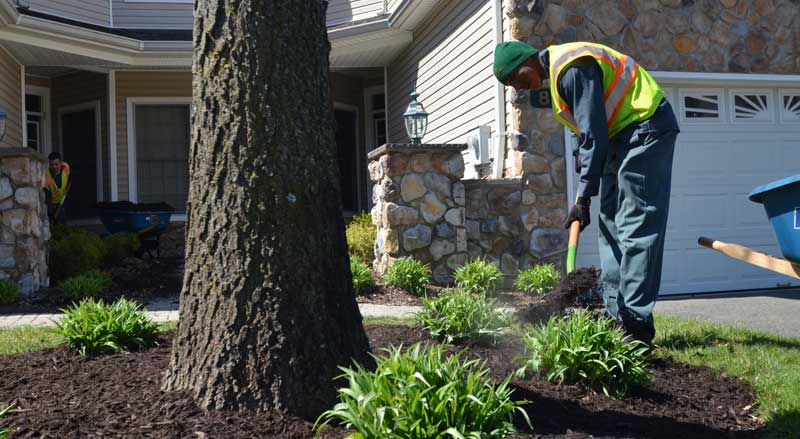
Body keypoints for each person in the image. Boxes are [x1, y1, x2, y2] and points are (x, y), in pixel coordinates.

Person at [493, 41, 680, 345]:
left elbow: (593, 134)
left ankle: (636, 325)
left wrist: (582, 198)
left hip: (645, 125)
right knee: (609, 225)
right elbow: (587, 137)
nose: (518, 86)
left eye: (515, 76)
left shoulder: (571, 69)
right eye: (510, 84)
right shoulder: (556, 83)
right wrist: (586, 192)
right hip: (617, 136)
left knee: (637, 225)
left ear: (526, 59)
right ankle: (615, 313)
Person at [44, 152, 70, 224]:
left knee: (63, 223)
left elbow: (65, 165)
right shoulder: (46, 175)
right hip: (51, 203)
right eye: (51, 164)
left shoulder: (66, 168)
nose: (54, 166)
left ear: (60, 163)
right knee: (53, 222)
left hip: (62, 201)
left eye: (56, 164)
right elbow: (50, 192)